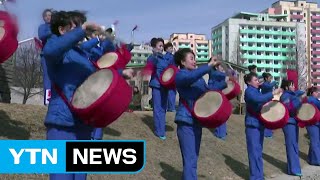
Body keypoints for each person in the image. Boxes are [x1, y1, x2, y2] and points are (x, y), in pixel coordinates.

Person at [43, 11, 133, 180]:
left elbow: (96, 75)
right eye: (75, 26)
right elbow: (50, 52)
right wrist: (83, 30)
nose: (81, 30)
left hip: (83, 124)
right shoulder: (54, 45)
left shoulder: (82, 54)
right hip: (62, 124)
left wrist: (121, 73)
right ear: (62, 30)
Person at [174, 48, 219, 179]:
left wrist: (225, 85)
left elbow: (208, 93)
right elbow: (191, 77)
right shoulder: (181, 75)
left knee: (193, 158)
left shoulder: (199, 79)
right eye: (191, 59)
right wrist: (208, 65)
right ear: (182, 62)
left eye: (195, 59)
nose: (194, 62)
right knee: (189, 160)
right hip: (186, 121)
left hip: (197, 121)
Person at [244, 72, 282, 180]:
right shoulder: (249, 92)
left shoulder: (256, 91)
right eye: (255, 80)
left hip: (258, 124)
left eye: (258, 80)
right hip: (252, 126)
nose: (258, 82)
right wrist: (273, 93)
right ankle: (255, 177)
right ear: (248, 82)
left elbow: (263, 100)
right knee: (254, 153)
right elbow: (258, 100)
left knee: (258, 153)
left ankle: (259, 176)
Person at [147, 37, 169, 140]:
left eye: (162, 46)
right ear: (154, 47)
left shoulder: (165, 58)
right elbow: (150, 64)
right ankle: (158, 131)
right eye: (160, 46)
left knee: (163, 109)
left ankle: (162, 130)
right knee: (157, 108)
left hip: (165, 86)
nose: (161, 48)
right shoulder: (152, 57)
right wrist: (155, 54)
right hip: (157, 85)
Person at [280, 80, 303, 176]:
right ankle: (294, 169)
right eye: (291, 85)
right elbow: (290, 108)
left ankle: (293, 168)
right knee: (291, 145)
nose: (294, 86)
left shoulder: (292, 95)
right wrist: (300, 102)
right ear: (286, 87)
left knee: (294, 145)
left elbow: (300, 92)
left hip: (293, 122)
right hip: (288, 123)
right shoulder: (285, 96)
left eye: (294, 84)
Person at [208, 63, 228, 140]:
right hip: (216, 96)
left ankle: (221, 133)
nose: (223, 68)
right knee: (219, 115)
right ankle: (220, 133)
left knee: (220, 115)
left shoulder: (218, 75)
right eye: (221, 66)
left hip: (219, 96)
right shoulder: (215, 74)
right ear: (216, 67)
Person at [38, 9, 53, 106]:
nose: (48, 17)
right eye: (46, 15)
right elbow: (41, 36)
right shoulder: (42, 27)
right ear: (43, 17)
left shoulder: (57, 28)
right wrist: (52, 31)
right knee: (47, 77)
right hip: (46, 56)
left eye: (50, 15)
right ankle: (47, 101)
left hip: (56, 56)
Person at [260, 72, 278, 138]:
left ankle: (269, 131)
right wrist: (275, 82)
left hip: (269, 102)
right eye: (270, 78)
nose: (271, 79)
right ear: (266, 78)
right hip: (265, 102)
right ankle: (267, 133)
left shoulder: (268, 84)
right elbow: (269, 86)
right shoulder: (265, 84)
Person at [306, 86, 320, 166]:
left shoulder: (314, 100)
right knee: (315, 141)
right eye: (316, 92)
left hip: (315, 123)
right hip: (312, 124)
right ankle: (316, 160)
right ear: (312, 93)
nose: (318, 93)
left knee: (314, 141)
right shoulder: (311, 99)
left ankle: (310, 158)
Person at [164, 42, 176, 112]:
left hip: (165, 76)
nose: (172, 49)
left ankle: (167, 107)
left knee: (166, 92)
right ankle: (172, 107)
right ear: (166, 49)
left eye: (172, 48)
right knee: (172, 92)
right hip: (172, 76)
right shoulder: (172, 57)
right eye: (170, 48)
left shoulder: (163, 57)